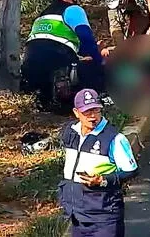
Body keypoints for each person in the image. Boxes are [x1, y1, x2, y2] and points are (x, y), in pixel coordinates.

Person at [58, 88, 138, 237]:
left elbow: (131, 170)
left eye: (96, 110)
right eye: (87, 112)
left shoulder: (114, 138)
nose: (92, 116)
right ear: (76, 113)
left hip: (104, 217)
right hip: (77, 216)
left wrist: (103, 180)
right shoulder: (70, 132)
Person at [20, 0, 105, 108]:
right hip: (58, 65)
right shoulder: (73, 9)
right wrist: (100, 61)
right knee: (94, 67)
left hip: (30, 68)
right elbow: (87, 39)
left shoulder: (42, 15)